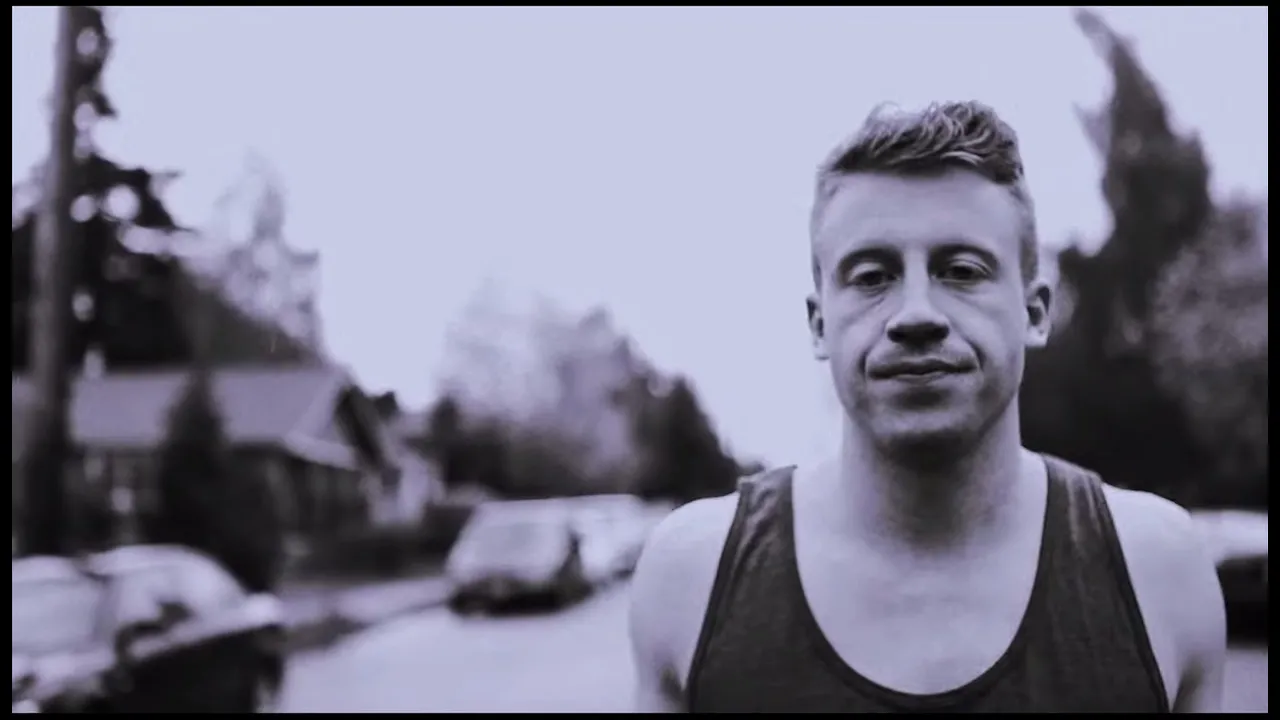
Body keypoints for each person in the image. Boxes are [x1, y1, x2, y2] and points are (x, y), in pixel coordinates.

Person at [628, 101, 1225, 713]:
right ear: (819, 324)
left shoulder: (1159, 572)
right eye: (871, 276)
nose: (916, 314)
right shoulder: (693, 577)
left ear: (1035, 312)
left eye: (961, 271)